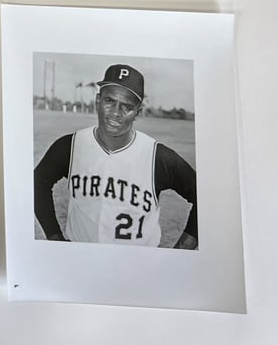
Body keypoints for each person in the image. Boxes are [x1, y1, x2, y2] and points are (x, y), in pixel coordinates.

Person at [33, 64, 198, 248]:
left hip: (138, 265)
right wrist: (54, 237)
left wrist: (182, 249)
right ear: (97, 101)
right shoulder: (70, 146)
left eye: (126, 106)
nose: (115, 113)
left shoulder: (157, 157)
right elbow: (37, 183)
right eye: (109, 101)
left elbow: (204, 197)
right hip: (82, 260)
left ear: (138, 112)